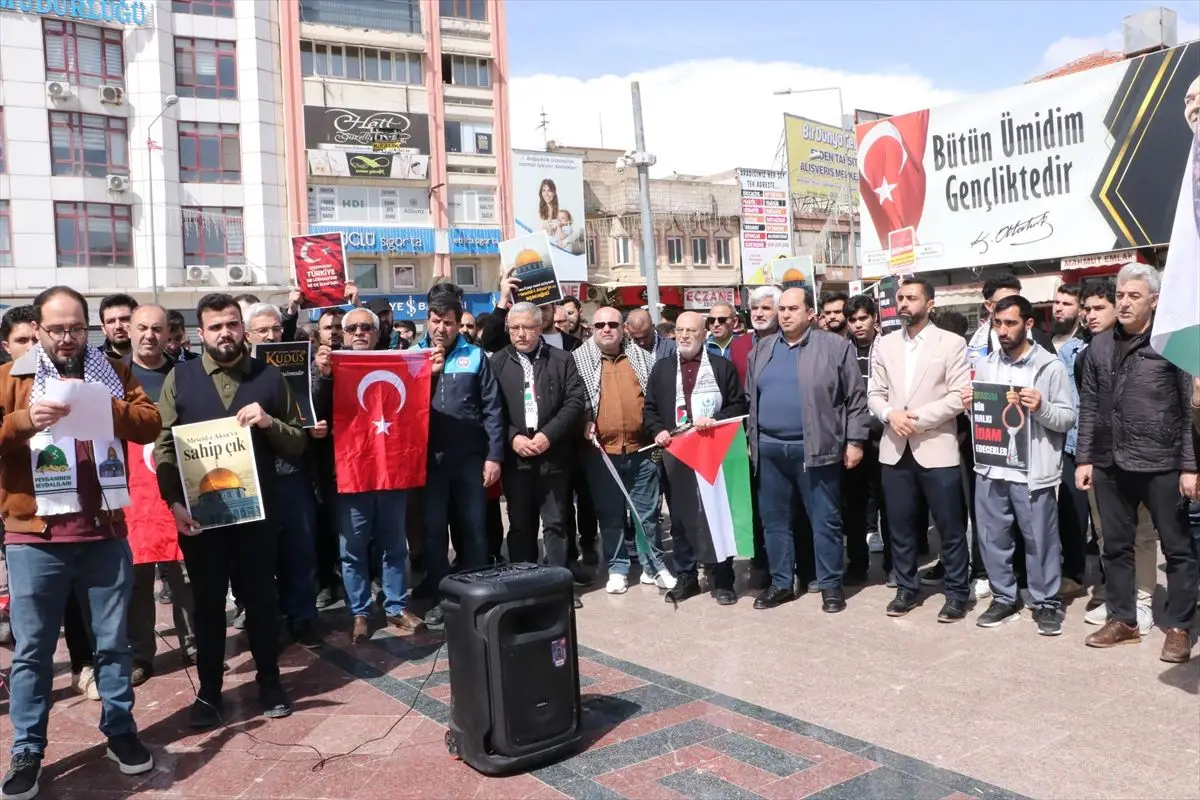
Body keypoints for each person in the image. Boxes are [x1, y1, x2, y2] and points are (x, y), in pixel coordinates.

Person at [0, 286, 162, 798]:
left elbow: (151, 423)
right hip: (35, 537)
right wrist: (27, 421)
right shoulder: (12, 378)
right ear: (40, 330)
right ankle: (27, 748)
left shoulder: (110, 371)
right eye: (58, 329)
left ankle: (120, 731)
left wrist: (107, 406)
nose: (68, 339)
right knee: (32, 652)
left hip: (104, 532)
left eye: (76, 328)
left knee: (112, 645)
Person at [154, 293, 305, 727]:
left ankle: (270, 680)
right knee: (206, 604)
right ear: (201, 334)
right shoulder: (180, 379)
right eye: (216, 326)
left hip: (256, 514)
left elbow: (298, 441)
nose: (226, 333)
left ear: (243, 327)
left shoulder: (269, 378)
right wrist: (174, 501)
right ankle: (209, 692)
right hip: (201, 518)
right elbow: (164, 445)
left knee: (260, 598)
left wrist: (268, 423)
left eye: (232, 324)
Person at [1076, 264, 1197, 663]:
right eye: (1121, 296)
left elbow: (1186, 410)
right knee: (1116, 546)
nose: (1124, 303)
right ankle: (1124, 619)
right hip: (1110, 464)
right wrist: (1085, 458)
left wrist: (1190, 466)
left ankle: (1179, 626)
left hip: (1161, 462)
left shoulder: (1172, 345)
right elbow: (1090, 405)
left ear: (1155, 301)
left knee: (1177, 550)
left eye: (1134, 296)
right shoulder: (1099, 345)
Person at [746, 287, 869, 612]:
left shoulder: (835, 347)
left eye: (792, 309)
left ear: (810, 313)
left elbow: (856, 400)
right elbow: (751, 401)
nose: (785, 314)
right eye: (781, 309)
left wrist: (855, 441)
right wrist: (751, 440)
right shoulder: (762, 349)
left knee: (825, 520)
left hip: (816, 449)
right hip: (770, 452)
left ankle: (830, 585)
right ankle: (782, 582)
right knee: (774, 521)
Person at [964, 296, 1076, 636]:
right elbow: (984, 416)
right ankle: (1003, 597)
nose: (1002, 330)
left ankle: (1046, 603)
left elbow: (1068, 418)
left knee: (1040, 540)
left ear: (1028, 324)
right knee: (993, 538)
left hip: (1032, 472)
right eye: (998, 323)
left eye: (1010, 323)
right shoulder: (985, 365)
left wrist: (1041, 407)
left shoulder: (1048, 367)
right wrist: (971, 406)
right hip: (991, 468)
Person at [312, 307, 424, 644]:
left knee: (394, 544)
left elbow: (417, 403)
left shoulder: (398, 363)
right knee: (353, 547)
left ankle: (396, 605)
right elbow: (315, 407)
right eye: (352, 328)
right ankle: (359, 611)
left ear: (378, 333)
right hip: (351, 471)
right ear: (342, 335)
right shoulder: (327, 368)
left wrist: (427, 370)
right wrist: (326, 376)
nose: (359, 332)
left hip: (391, 469)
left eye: (366, 327)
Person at [868, 278, 973, 622]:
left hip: (936, 447)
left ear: (930, 304)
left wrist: (916, 419)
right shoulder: (884, 345)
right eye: (900, 298)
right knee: (899, 526)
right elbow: (874, 394)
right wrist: (889, 414)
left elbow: (961, 395)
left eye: (911, 298)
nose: (903, 304)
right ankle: (907, 589)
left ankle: (958, 592)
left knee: (950, 526)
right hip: (895, 448)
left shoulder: (952, 343)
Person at [644, 312, 747, 606]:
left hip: (713, 451)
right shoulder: (662, 369)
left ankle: (723, 577)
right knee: (679, 517)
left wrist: (715, 420)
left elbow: (738, 404)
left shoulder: (721, 367)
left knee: (717, 514)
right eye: (680, 330)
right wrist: (658, 430)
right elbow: (650, 408)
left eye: (691, 330)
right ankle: (686, 576)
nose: (685, 335)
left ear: (704, 334)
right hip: (676, 453)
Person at [490, 302, 587, 604]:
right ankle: (523, 583)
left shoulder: (562, 359)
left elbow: (574, 402)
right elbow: (490, 408)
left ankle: (558, 586)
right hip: (517, 457)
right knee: (520, 524)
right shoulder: (497, 363)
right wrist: (512, 437)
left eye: (528, 327)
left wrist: (548, 435)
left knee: (557, 522)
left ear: (539, 326)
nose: (521, 334)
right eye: (515, 328)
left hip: (553, 454)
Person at [574, 306, 675, 594]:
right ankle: (617, 568)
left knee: (647, 514)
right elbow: (574, 400)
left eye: (612, 325)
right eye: (600, 325)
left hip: (641, 451)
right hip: (602, 454)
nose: (606, 329)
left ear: (623, 329)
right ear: (592, 329)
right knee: (610, 515)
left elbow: (654, 402)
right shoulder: (578, 361)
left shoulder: (643, 359)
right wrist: (584, 421)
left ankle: (653, 566)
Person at [123, 305, 199, 686]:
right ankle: (141, 654)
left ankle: (194, 643)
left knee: (184, 572)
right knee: (138, 577)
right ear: (129, 331)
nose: (149, 335)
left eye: (157, 328)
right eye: (142, 328)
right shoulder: (114, 375)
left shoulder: (185, 374)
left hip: (178, 487)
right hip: (132, 492)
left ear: (170, 333)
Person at [420, 296, 505, 628]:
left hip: (469, 459)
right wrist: (427, 375)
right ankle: (443, 596)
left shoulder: (475, 356)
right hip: (429, 462)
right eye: (435, 320)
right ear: (427, 321)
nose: (441, 328)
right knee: (433, 531)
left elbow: (493, 409)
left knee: (473, 528)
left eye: (448, 322)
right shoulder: (413, 356)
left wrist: (494, 455)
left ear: (458, 324)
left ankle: (476, 593)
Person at [244, 304, 323, 648]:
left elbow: (316, 404)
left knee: (300, 547)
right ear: (248, 336)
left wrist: (317, 423)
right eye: (262, 331)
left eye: (275, 329)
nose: (271, 336)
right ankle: (262, 616)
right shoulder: (238, 373)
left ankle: (302, 616)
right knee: (257, 554)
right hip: (252, 473)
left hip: (293, 471)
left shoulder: (302, 366)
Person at [842, 294, 890, 582]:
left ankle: (893, 566)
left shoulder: (889, 347)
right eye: (853, 320)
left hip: (886, 435)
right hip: (852, 437)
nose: (858, 325)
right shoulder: (840, 349)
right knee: (854, 505)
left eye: (863, 318)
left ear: (875, 318)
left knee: (890, 504)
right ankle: (857, 564)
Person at [1052, 284, 1090, 598]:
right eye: (1056, 302)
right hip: (1060, 438)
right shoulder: (1052, 344)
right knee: (1068, 509)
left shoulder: (1086, 345)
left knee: (1092, 513)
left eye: (1066, 303)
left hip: (1088, 439)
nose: (1058, 308)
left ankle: (1087, 573)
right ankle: (1072, 571)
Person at [99, 293, 138, 360]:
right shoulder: (92, 361)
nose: (118, 326)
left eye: (124, 319)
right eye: (111, 321)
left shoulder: (156, 358)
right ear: (104, 329)